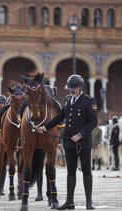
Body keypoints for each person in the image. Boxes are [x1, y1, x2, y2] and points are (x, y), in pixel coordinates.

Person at [37, 74, 98, 210]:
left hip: (83, 142)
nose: (70, 90)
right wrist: (45, 127)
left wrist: (81, 134)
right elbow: (60, 117)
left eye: (73, 88)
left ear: (80, 87)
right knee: (71, 172)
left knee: (86, 171)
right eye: (69, 88)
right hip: (69, 142)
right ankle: (69, 202)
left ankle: (89, 201)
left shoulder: (89, 101)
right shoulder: (67, 99)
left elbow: (94, 122)